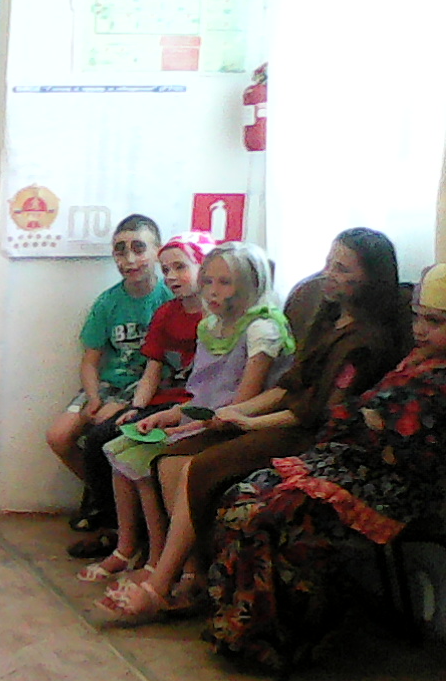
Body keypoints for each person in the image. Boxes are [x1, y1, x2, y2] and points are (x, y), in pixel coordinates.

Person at [95, 228, 408, 626]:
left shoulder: (365, 343)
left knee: (196, 467)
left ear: (370, 279)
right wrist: (242, 413)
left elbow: (315, 414)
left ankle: (158, 586)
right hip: (278, 418)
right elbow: (288, 387)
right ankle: (189, 576)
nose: (328, 273)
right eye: (329, 262)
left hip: (307, 434)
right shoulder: (328, 318)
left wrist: (249, 420)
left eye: (342, 268)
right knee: (168, 465)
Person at [205, 264, 446, 678]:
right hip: (351, 464)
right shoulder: (415, 361)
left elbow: (406, 447)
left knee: (271, 514)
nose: (420, 330)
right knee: (242, 496)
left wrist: (362, 423)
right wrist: (360, 423)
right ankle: (241, 630)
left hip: (396, 487)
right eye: (417, 318)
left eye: (435, 322)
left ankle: (283, 638)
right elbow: (357, 417)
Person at [84, 241, 293, 584]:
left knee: (151, 460)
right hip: (203, 416)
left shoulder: (262, 329)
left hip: (233, 425)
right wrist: (170, 416)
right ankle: (132, 549)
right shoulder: (211, 325)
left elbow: (240, 404)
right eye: (208, 281)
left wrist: (181, 427)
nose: (212, 291)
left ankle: (179, 568)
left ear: (250, 285)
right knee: (117, 449)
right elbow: (202, 392)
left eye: (224, 282)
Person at [75, 231, 212, 580]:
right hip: (161, 400)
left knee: (131, 451)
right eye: (167, 270)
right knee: (105, 440)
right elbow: (153, 368)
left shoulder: (214, 318)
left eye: (181, 268)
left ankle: (152, 552)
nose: (172, 277)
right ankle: (123, 540)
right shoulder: (166, 313)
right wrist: (135, 407)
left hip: (191, 406)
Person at [45, 214, 170, 555]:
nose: (129, 259)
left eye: (139, 248)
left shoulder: (167, 299)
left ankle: (114, 513)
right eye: (120, 250)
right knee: (59, 436)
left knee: (104, 433)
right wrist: (94, 398)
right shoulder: (108, 302)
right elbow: (90, 360)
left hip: (147, 387)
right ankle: (104, 498)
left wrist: (124, 406)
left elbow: (164, 368)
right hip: (108, 385)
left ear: (157, 251)